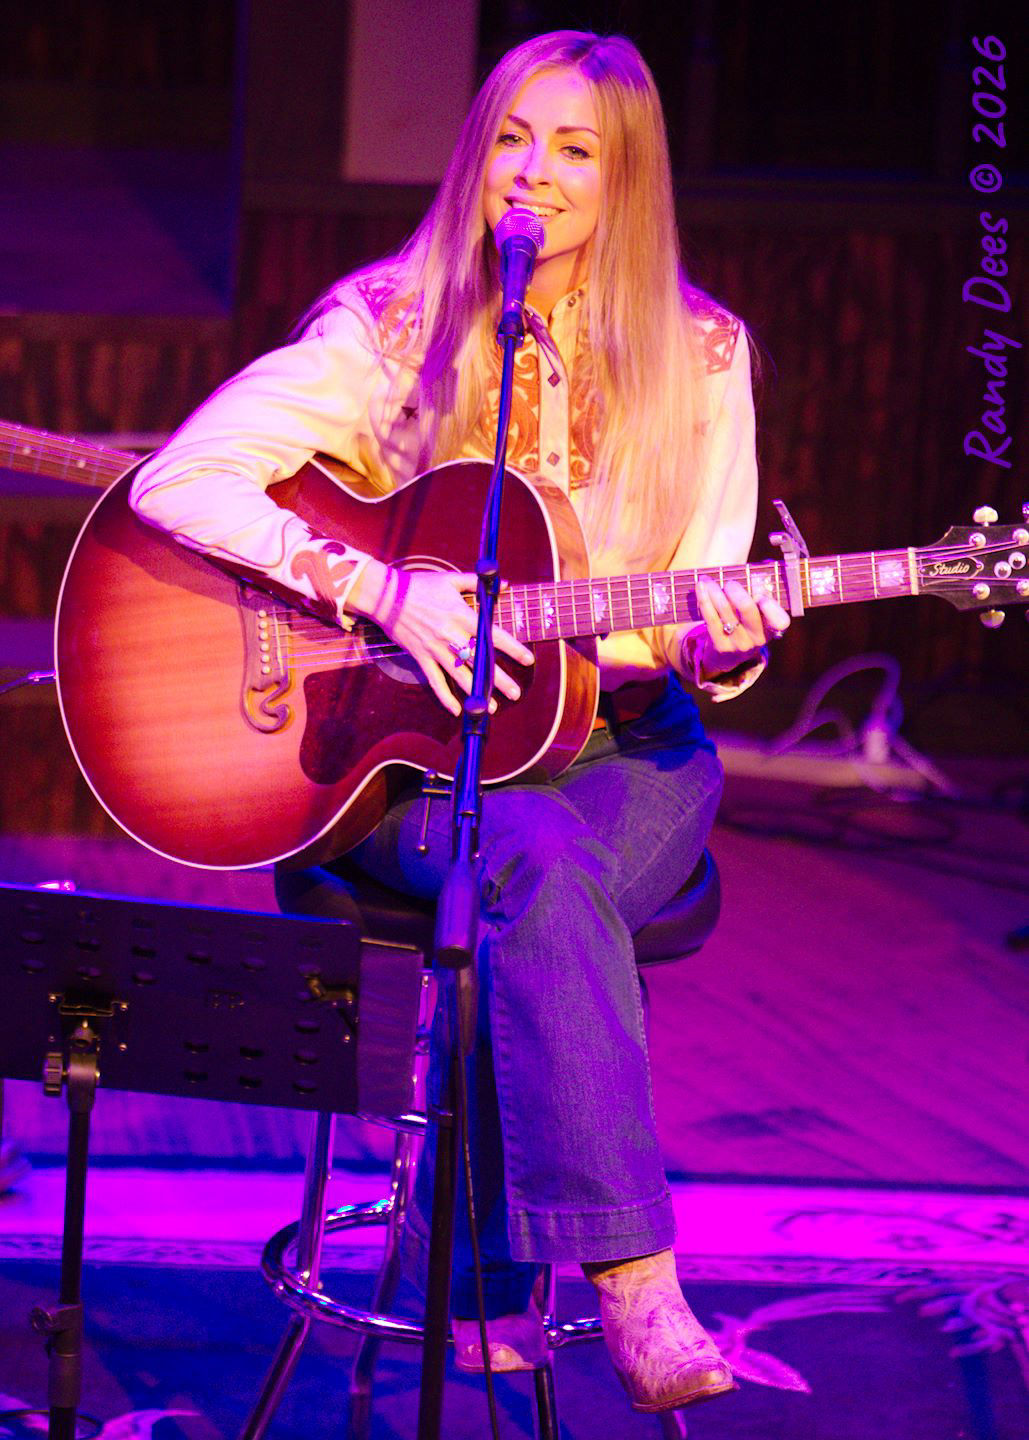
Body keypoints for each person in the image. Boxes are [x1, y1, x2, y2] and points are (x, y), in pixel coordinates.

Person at [128, 29, 789, 1416]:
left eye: (573, 151)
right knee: (534, 873)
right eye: (509, 140)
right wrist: (380, 587)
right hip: (418, 758)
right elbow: (180, 481)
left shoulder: (704, 353)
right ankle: (631, 1277)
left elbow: (704, 589)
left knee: (542, 876)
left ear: (627, 182)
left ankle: (467, 1262)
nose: (531, 177)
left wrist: (720, 644)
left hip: (633, 750)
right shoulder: (389, 320)